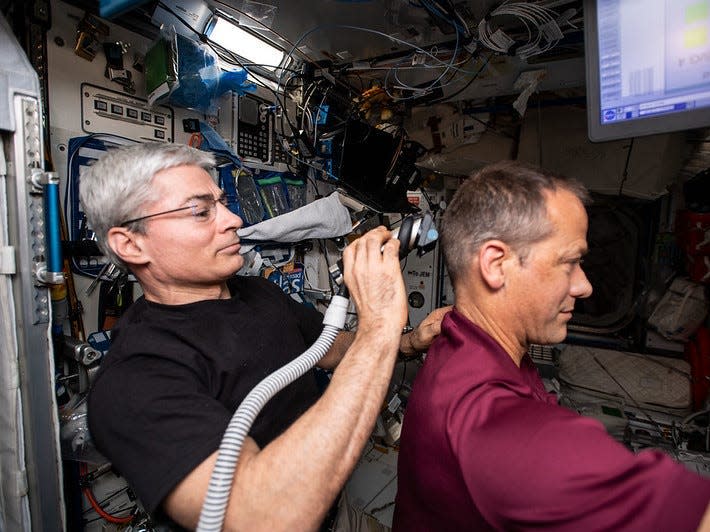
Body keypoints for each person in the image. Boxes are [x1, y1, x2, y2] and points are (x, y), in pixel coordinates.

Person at [80, 142, 449, 531]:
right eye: (202, 211)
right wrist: (380, 324)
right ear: (131, 244)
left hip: (336, 513)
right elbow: (260, 516)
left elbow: (327, 348)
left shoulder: (257, 293)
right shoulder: (135, 377)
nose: (233, 220)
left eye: (222, 203)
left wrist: (407, 343)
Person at [393, 160, 710, 532]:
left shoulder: (457, 330)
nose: (584, 286)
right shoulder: (493, 427)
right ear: (496, 265)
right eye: (570, 262)